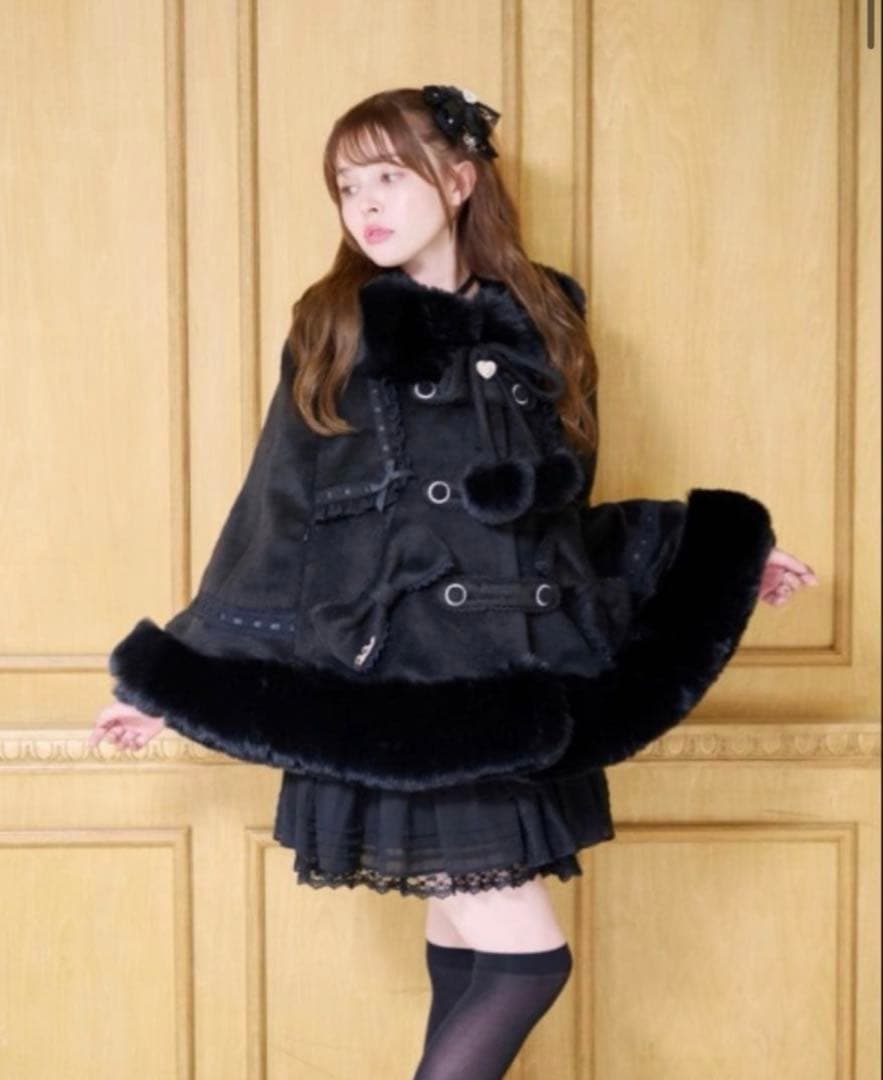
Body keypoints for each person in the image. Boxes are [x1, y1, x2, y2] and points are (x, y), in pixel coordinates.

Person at [88, 85, 817, 1078]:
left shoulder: (543, 328)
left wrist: (712, 552)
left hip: (513, 693)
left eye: (387, 177)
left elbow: (557, 529)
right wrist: (176, 681)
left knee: (473, 957)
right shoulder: (337, 328)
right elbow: (276, 518)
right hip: (410, 703)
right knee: (526, 964)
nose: (365, 205)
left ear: (459, 179)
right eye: (347, 186)